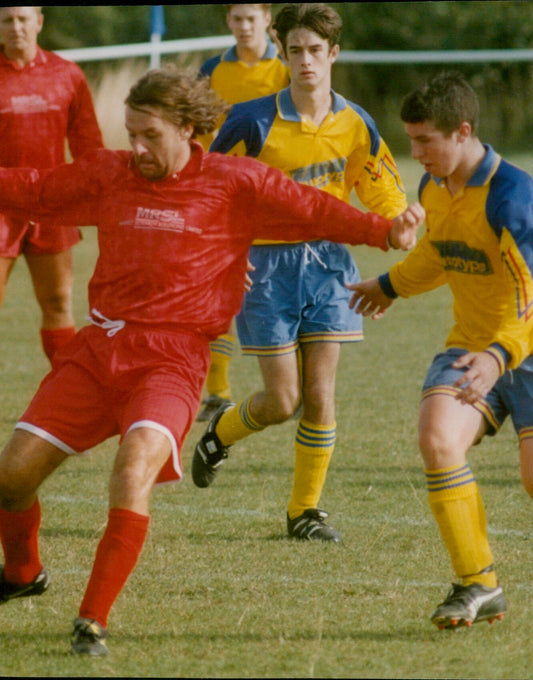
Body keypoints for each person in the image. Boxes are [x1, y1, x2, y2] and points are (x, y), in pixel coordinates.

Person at [0, 67, 424, 655]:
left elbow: (315, 209)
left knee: (132, 474)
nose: (137, 147)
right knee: (10, 479)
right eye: (130, 132)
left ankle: (90, 621)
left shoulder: (235, 183)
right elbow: (36, 189)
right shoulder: (109, 173)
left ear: (188, 129)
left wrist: (388, 231)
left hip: (172, 362)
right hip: (97, 350)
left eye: (150, 135)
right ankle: (23, 574)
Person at [348, 71, 533, 632]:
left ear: (462, 133)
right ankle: (478, 582)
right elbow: (440, 251)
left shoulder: (514, 197)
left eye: (425, 142)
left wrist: (497, 356)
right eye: (410, 141)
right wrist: (388, 285)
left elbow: (529, 294)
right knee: (437, 438)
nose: (416, 154)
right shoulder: (434, 187)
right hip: (472, 344)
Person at [191, 3, 408, 543]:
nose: (306, 61)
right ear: (283, 54)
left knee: (320, 395)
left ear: (334, 53)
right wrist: (226, 254)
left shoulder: (356, 122)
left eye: (316, 51)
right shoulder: (251, 120)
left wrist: (400, 218)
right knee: (281, 402)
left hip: (330, 264)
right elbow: (212, 193)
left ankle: (304, 512)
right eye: (296, 51)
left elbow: (381, 190)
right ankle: (219, 434)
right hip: (265, 267)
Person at [0, 7, 103, 427]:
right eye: (7, 19)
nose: (16, 27)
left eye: (24, 19)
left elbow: (87, 141)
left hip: (52, 204)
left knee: (59, 302)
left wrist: (96, 189)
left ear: (39, 22)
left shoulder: (68, 75)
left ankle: (70, 402)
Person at [195, 4, 290, 421]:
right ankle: (217, 390)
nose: (245, 26)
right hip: (226, 194)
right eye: (237, 18)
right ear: (228, 22)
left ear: (268, 20)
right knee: (222, 288)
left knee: (285, 288)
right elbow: (197, 128)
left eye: (252, 18)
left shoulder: (286, 68)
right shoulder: (213, 69)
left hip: (278, 195)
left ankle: (294, 384)